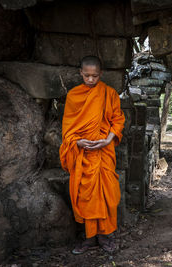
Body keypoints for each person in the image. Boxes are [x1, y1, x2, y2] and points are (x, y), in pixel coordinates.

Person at [59, 55, 125, 254]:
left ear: (101, 74)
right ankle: (89, 238)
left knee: (107, 194)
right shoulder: (73, 95)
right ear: (80, 73)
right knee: (84, 195)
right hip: (82, 154)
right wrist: (77, 141)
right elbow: (67, 128)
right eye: (86, 76)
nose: (90, 80)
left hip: (104, 151)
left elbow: (118, 120)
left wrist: (108, 139)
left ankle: (105, 237)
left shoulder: (109, 93)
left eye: (94, 76)